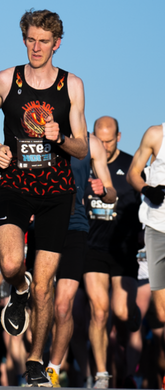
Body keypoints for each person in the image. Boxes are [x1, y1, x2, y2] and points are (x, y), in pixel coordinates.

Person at [0, 9, 89, 386]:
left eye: (44, 40)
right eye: (30, 39)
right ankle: (17, 288)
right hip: (16, 185)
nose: (36, 47)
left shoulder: (71, 85)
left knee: (47, 285)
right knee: (11, 264)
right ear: (23, 39)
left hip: (57, 192)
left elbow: (82, 147)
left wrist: (60, 137)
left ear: (57, 43)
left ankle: (36, 362)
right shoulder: (7, 79)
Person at [44, 135, 117, 388]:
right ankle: (35, 362)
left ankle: (55, 369)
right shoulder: (40, 130)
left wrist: (104, 191)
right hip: (43, 226)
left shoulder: (92, 143)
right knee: (40, 301)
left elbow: (111, 193)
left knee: (65, 307)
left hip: (77, 228)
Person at [85, 117, 145, 386]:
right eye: (100, 140)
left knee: (122, 313)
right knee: (99, 311)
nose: (105, 146)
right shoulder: (85, 164)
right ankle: (101, 374)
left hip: (123, 250)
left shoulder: (133, 167)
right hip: (92, 248)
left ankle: (129, 367)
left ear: (118, 137)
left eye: (109, 140)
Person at [128, 122, 165, 370]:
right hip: (158, 228)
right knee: (162, 314)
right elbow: (133, 172)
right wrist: (147, 189)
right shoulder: (156, 134)